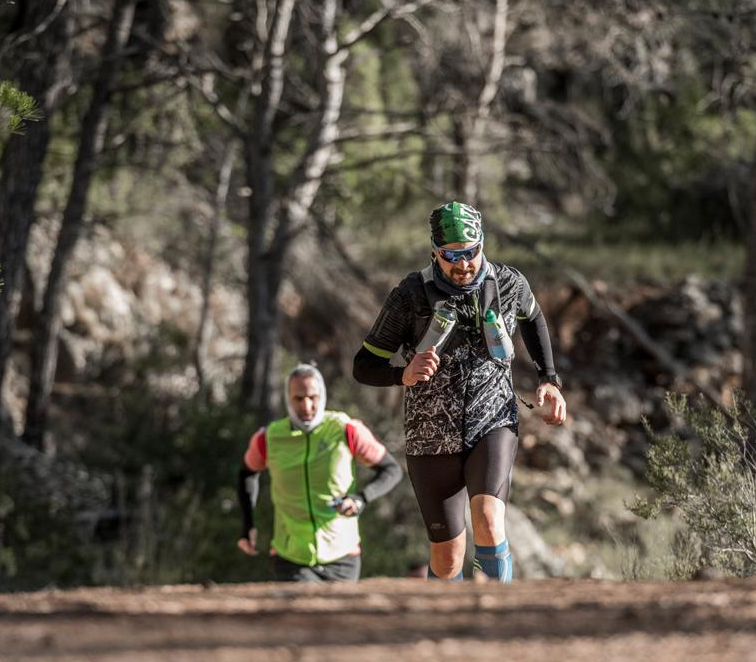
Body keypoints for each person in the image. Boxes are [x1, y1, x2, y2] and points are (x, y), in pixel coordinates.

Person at [352, 201, 566, 582]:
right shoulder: (410, 295)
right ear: (435, 251)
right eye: (453, 256)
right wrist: (404, 374)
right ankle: (445, 626)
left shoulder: (507, 283)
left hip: (494, 418)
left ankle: (496, 618)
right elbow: (363, 366)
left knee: (487, 520)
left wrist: (548, 378)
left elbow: (533, 318)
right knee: (449, 557)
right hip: (430, 434)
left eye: (472, 252)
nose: (464, 264)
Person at [236, 363, 402, 582]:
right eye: (298, 398)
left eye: (313, 397)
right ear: (288, 399)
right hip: (291, 558)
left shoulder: (345, 430)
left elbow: (391, 469)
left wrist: (361, 499)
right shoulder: (269, 438)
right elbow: (247, 473)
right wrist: (248, 525)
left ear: (322, 396)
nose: (306, 406)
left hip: (342, 555)